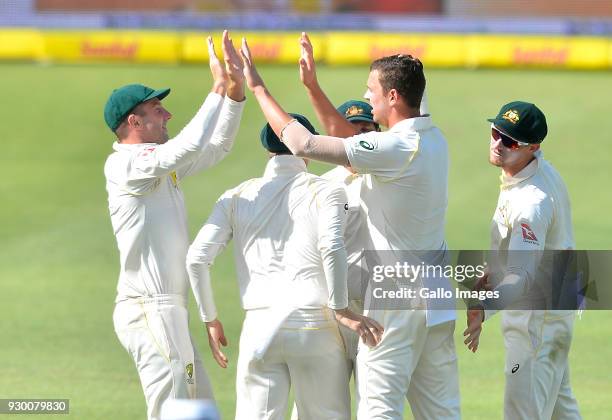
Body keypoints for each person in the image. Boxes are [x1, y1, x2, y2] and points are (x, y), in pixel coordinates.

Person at [239, 32, 459, 419]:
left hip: (397, 291)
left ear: (392, 96)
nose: (367, 95)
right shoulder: (432, 138)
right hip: (436, 293)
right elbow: (349, 148)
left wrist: (257, 88)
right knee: (440, 411)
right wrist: (312, 87)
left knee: (378, 408)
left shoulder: (396, 148)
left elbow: (306, 145)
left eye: (371, 89)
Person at [186, 113, 383, 420]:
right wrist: (342, 309)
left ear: (268, 150)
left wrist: (210, 318)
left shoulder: (235, 196)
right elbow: (332, 246)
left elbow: (197, 259)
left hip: (259, 326)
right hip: (314, 323)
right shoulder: (327, 190)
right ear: (307, 147)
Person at [104, 32, 245, 420]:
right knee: (173, 412)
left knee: (200, 412)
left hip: (169, 310)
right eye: (157, 110)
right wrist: (216, 87)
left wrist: (234, 95)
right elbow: (188, 145)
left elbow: (216, 147)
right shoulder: (127, 165)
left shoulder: (157, 166)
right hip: (148, 308)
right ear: (134, 121)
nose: (167, 115)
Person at [463, 101, 582, 419]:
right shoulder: (529, 172)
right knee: (561, 411)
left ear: (534, 146)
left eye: (510, 141)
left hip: (537, 324)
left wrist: (483, 307)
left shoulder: (532, 203)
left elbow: (521, 276)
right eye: (495, 133)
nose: (498, 144)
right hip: (551, 318)